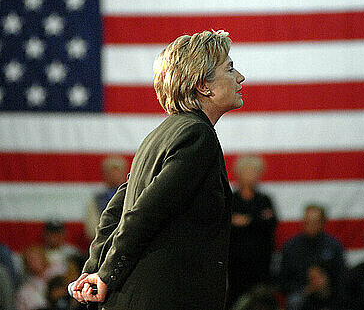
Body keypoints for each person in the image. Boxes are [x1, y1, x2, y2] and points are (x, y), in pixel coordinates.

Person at [69, 30, 245, 309]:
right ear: (204, 85)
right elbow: (144, 213)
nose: (240, 78)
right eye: (230, 68)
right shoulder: (197, 135)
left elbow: (115, 212)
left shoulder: (158, 135)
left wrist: (94, 269)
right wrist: (105, 274)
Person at [227, 155, 277, 308]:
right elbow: (225, 225)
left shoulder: (264, 199)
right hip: (236, 266)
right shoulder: (231, 199)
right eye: (247, 172)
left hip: (260, 265)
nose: (251, 176)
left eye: (254, 172)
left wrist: (245, 221)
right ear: (238, 174)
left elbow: (271, 223)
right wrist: (257, 219)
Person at [279, 204, 347, 310]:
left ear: (323, 223)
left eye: (315, 222)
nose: (310, 225)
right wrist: (307, 288)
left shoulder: (334, 245)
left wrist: (325, 283)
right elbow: (283, 281)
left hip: (329, 296)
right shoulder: (291, 247)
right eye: (307, 222)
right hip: (301, 295)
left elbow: (342, 277)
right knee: (294, 300)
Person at [84, 157, 128, 240]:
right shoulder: (97, 199)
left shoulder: (131, 196)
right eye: (111, 172)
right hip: (103, 242)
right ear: (105, 175)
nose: (115, 176)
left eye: (118, 172)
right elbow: (91, 229)